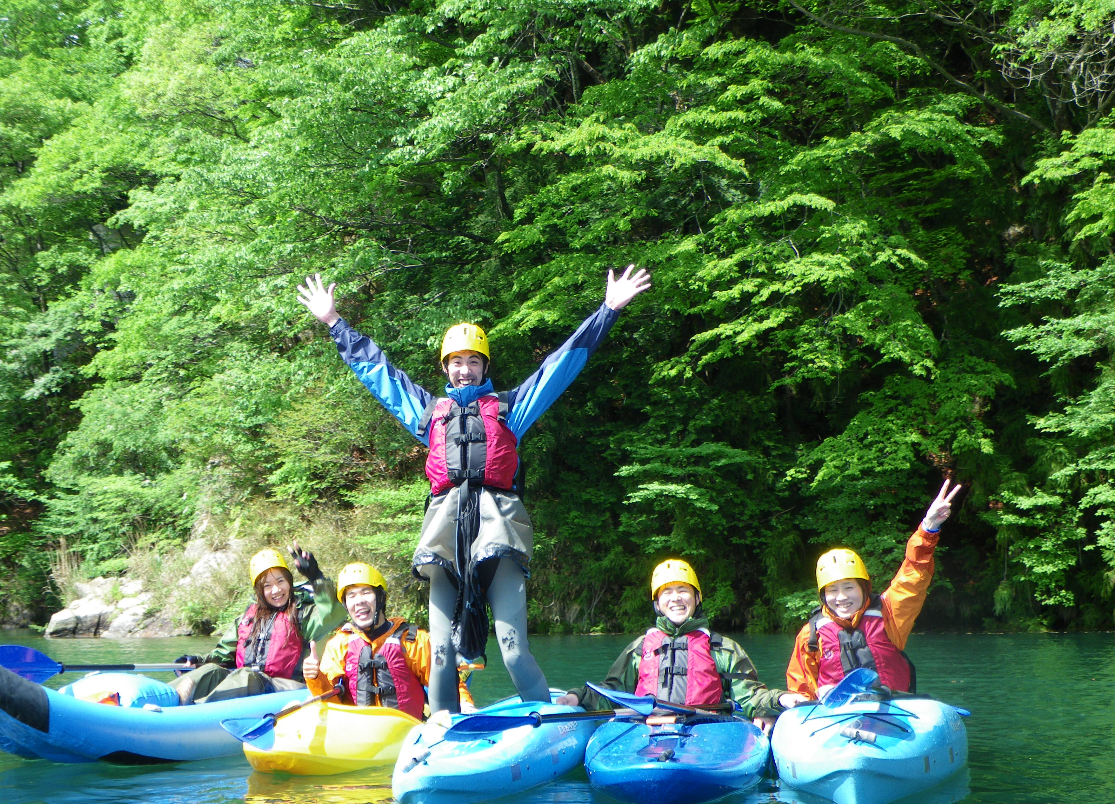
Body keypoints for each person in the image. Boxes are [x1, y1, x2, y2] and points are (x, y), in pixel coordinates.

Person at [297, 266, 653, 714]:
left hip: (498, 532)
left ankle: (551, 723)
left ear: (484, 366)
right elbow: (378, 373)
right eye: (456, 362)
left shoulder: (510, 409)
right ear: (446, 368)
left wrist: (608, 310)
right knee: (442, 651)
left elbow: (562, 364)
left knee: (512, 647)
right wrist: (334, 323)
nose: (465, 370)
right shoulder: (429, 415)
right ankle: (443, 724)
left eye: (473, 361)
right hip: (445, 535)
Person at [555, 559, 801, 734]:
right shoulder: (639, 648)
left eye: (682, 590)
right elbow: (614, 691)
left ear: (696, 598)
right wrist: (578, 696)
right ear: (658, 604)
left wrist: (777, 700)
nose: (675, 598)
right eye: (667, 593)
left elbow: (750, 694)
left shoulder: (722, 648)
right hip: (646, 729)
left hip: (706, 729)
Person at [786, 480, 963, 700]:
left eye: (849, 587)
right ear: (823, 595)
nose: (841, 597)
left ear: (864, 588)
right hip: (836, 720)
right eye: (832, 590)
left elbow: (913, 576)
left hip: (893, 712)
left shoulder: (889, 614)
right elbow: (800, 689)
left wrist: (928, 529)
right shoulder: (810, 635)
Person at [171, 545, 341, 705]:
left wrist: (316, 577)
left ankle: (192, 709)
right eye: (267, 586)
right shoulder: (247, 618)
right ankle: (165, 696)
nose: (276, 590)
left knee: (247, 676)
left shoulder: (303, 616)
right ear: (259, 590)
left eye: (280, 581)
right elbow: (223, 653)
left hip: (285, 690)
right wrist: (197, 661)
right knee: (212, 671)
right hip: (248, 686)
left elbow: (334, 614)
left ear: (289, 582)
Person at [302, 562, 473, 719]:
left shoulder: (414, 640)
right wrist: (315, 677)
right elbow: (330, 703)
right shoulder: (338, 645)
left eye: (366, 592)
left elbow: (447, 683)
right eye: (351, 596)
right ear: (346, 605)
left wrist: (465, 703)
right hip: (357, 736)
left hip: (406, 734)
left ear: (381, 597)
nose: (359, 601)